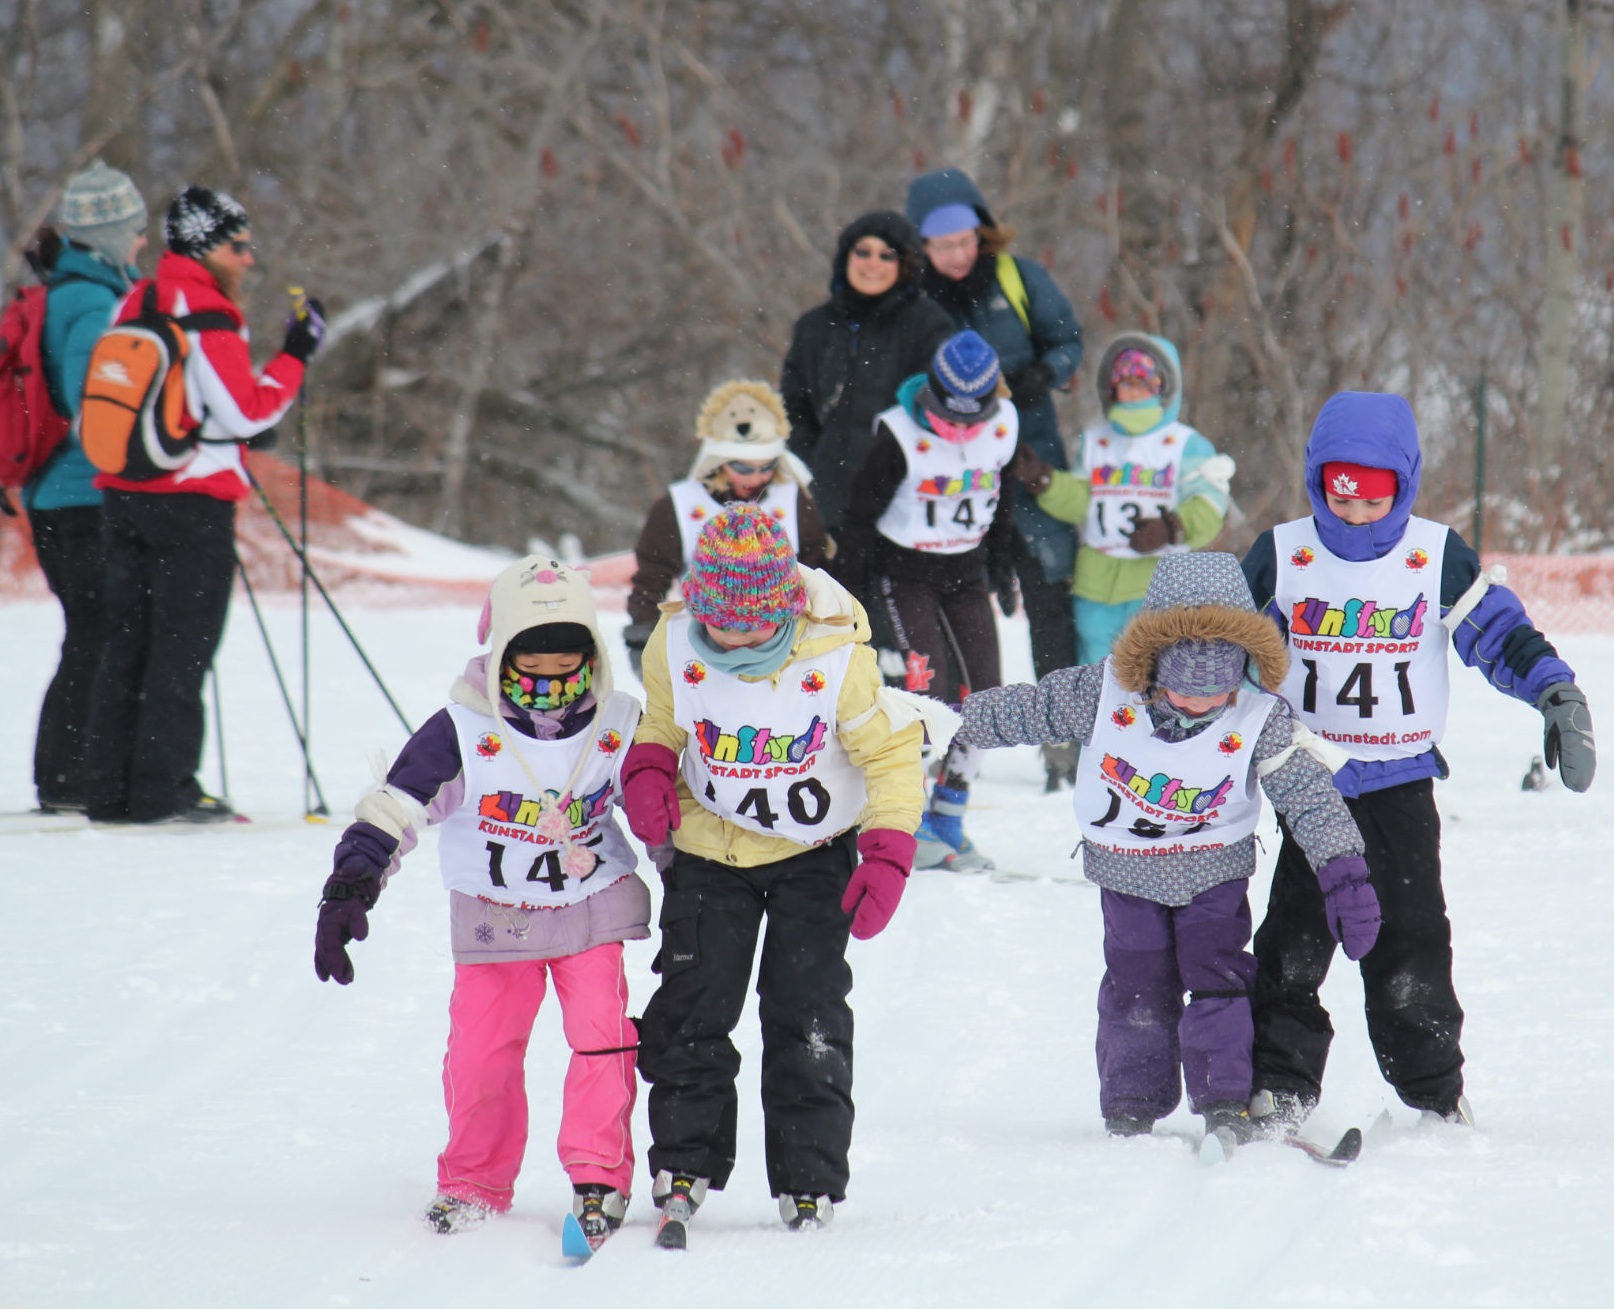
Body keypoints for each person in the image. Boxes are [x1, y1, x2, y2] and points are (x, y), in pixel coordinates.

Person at [1241, 390, 1596, 1133]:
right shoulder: (1284, 553)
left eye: (1376, 497)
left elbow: (1496, 635)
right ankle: (1279, 1080)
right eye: (1342, 493)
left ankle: (1432, 1090)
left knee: (1411, 941)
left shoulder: (1433, 556)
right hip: (1309, 779)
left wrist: (1554, 689)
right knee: (1293, 940)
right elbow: (1227, 649)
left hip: (1400, 779)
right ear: (1318, 480)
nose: (1358, 512)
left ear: (1403, 484)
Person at [953, 552, 1374, 1145]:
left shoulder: (1260, 719)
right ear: (1151, 666)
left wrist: (1345, 873)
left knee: (1220, 980)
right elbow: (1027, 708)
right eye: (1184, 694)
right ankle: (1132, 1104)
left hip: (1215, 873)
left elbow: (1309, 795)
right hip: (1127, 871)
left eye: (1216, 694)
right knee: (1136, 987)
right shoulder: (1101, 694)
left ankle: (1225, 1100)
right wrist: (944, 720)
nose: (1201, 707)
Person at [314, 556, 650, 1248]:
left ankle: (599, 1175)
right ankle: (473, 1178)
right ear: (499, 656)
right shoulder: (462, 729)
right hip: (497, 919)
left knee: (602, 1042)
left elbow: (661, 806)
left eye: (569, 667)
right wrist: (353, 880)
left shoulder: (619, 722)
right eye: (533, 668)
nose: (553, 687)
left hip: (593, 906)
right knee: (482, 1054)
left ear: (594, 654)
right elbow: (396, 804)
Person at [621, 505, 925, 1247]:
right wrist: (649, 766)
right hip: (710, 852)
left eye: (752, 630)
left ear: (784, 609)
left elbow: (890, 755)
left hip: (812, 854)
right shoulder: (673, 641)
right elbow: (663, 720)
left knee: (807, 1010)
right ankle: (684, 1163)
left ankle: (808, 1173)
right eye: (719, 627)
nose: (732, 642)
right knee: (695, 1002)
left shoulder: (835, 657)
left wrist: (886, 852)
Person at [80, 185, 325, 824]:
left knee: (125, 643)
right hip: (191, 504)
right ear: (205, 247)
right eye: (238, 246)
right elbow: (246, 409)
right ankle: (165, 791)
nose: (249, 259)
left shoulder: (136, 298)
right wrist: (297, 353)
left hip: (122, 496)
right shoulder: (209, 312)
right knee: (181, 649)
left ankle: (108, 788)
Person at [906, 167, 1085, 790]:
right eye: (942, 246)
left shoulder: (1018, 277)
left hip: (1033, 463)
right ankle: (952, 734)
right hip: (956, 472)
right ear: (921, 248)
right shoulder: (912, 300)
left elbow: (1068, 342)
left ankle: (1061, 738)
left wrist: (1042, 375)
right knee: (957, 599)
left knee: (1049, 597)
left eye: (966, 241)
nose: (958, 255)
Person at [834, 329, 1018, 873]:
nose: (958, 429)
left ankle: (950, 813)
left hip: (966, 572)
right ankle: (904, 816)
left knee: (988, 696)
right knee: (926, 694)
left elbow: (1003, 504)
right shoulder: (898, 433)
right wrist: (846, 590)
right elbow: (860, 515)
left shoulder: (1003, 428)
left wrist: (1004, 566)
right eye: (947, 416)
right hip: (905, 573)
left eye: (970, 418)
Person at [21, 162, 147, 813]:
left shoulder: (76, 290)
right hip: (79, 499)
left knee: (91, 631)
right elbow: (88, 402)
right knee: (97, 632)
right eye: (135, 231)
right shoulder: (92, 301)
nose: (142, 243)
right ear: (108, 236)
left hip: (61, 496)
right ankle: (67, 774)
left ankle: (67, 772)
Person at [1010, 331, 1235, 664]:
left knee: (1153, 680)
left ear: (1162, 388)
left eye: (1142, 383)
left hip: (1159, 584)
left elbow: (1209, 505)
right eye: (1124, 383)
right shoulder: (1095, 441)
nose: (1132, 393)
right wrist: (1044, 481)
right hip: (1095, 587)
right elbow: (1082, 500)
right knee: (1098, 684)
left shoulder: (1186, 444)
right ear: (1111, 388)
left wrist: (1170, 527)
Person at [625, 379, 830, 677]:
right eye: (744, 468)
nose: (757, 478)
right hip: (708, 640)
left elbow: (819, 571)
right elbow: (651, 577)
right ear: (719, 461)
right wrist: (643, 635)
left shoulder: (795, 501)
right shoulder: (679, 505)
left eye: (767, 466)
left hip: (783, 642)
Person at [781, 210, 953, 536]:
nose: (872, 263)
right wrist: (813, 462)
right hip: (827, 504)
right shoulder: (814, 327)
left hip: (904, 503)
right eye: (863, 251)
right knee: (829, 588)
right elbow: (794, 406)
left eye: (886, 255)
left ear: (904, 265)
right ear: (846, 256)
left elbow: (939, 407)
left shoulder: (929, 324)